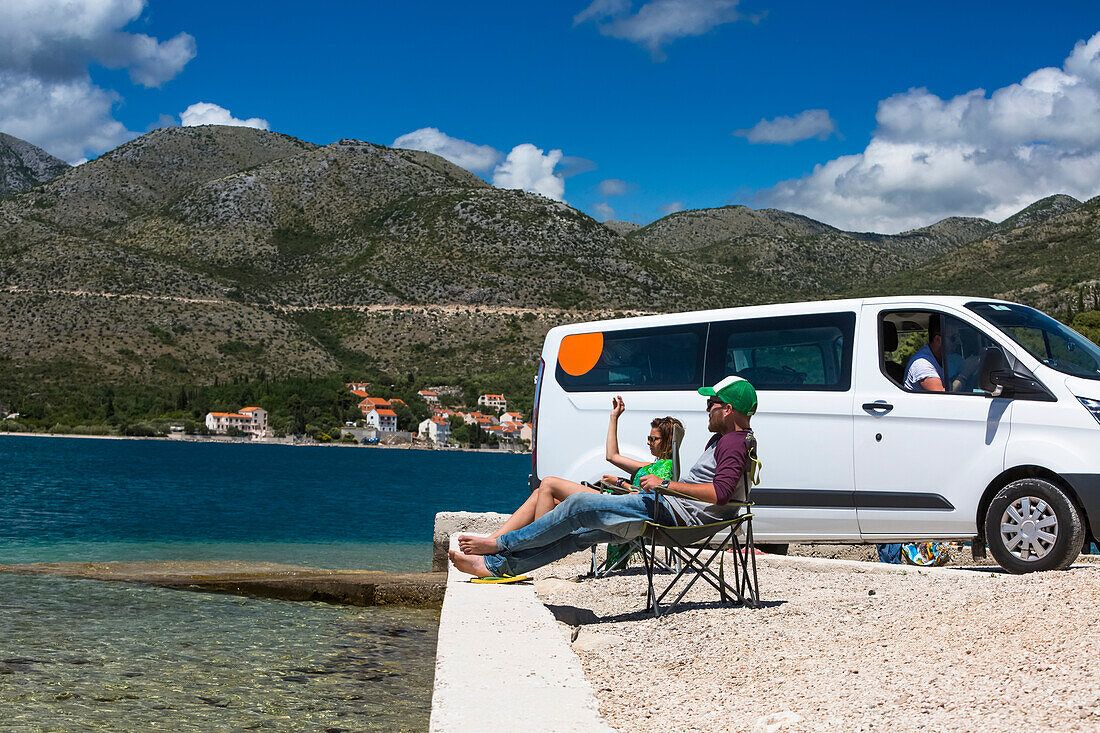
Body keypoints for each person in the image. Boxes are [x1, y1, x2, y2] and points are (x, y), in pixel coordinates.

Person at [450, 376, 757, 579]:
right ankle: (497, 567)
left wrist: (664, 485)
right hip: (669, 514)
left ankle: (498, 545)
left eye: (711, 405)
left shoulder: (732, 442)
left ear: (728, 409)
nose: (707, 410)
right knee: (579, 536)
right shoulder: (729, 439)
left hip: (673, 519)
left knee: (578, 506)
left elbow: (720, 494)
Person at [466, 398, 683, 548]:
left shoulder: (666, 468)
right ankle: (496, 538)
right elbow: (612, 456)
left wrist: (619, 482)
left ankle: (536, 543)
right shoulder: (649, 466)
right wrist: (614, 417)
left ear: (667, 441)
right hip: (614, 503)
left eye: (653, 439)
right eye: (649, 437)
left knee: (549, 483)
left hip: (616, 507)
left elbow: (647, 498)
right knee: (539, 494)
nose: (648, 442)